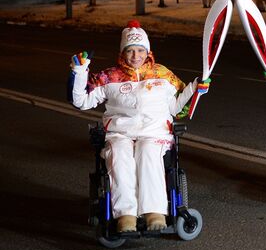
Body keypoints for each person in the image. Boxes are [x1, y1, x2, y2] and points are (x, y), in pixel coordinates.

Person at [68, 20, 206, 233]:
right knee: (121, 156)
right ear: (123, 52)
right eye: (130, 50)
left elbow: (177, 108)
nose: (135, 56)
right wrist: (79, 71)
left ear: (148, 51)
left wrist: (197, 87)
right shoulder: (109, 77)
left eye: (140, 50)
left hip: (154, 133)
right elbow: (81, 101)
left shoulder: (163, 75)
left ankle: (154, 213)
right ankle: (126, 216)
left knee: (148, 153)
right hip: (120, 134)